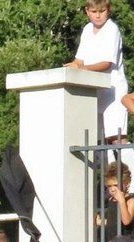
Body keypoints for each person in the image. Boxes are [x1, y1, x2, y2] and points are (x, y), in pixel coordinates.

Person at [67, 0, 127, 143]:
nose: (98, 16)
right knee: (96, 138)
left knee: (116, 137)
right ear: (87, 11)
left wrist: (81, 69)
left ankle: (125, 165)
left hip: (113, 91)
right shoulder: (87, 29)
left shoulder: (112, 29)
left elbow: (106, 63)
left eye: (102, 11)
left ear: (108, 10)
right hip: (92, 91)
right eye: (94, 12)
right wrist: (70, 68)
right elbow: (79, 60)